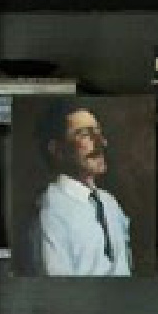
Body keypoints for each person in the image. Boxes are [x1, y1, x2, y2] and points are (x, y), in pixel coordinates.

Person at [28, 101, 132, 276]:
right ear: (57, 149)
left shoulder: (110, 203)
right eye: (84, 134)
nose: (101, 143)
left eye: (98, 133)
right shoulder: (50, 210)